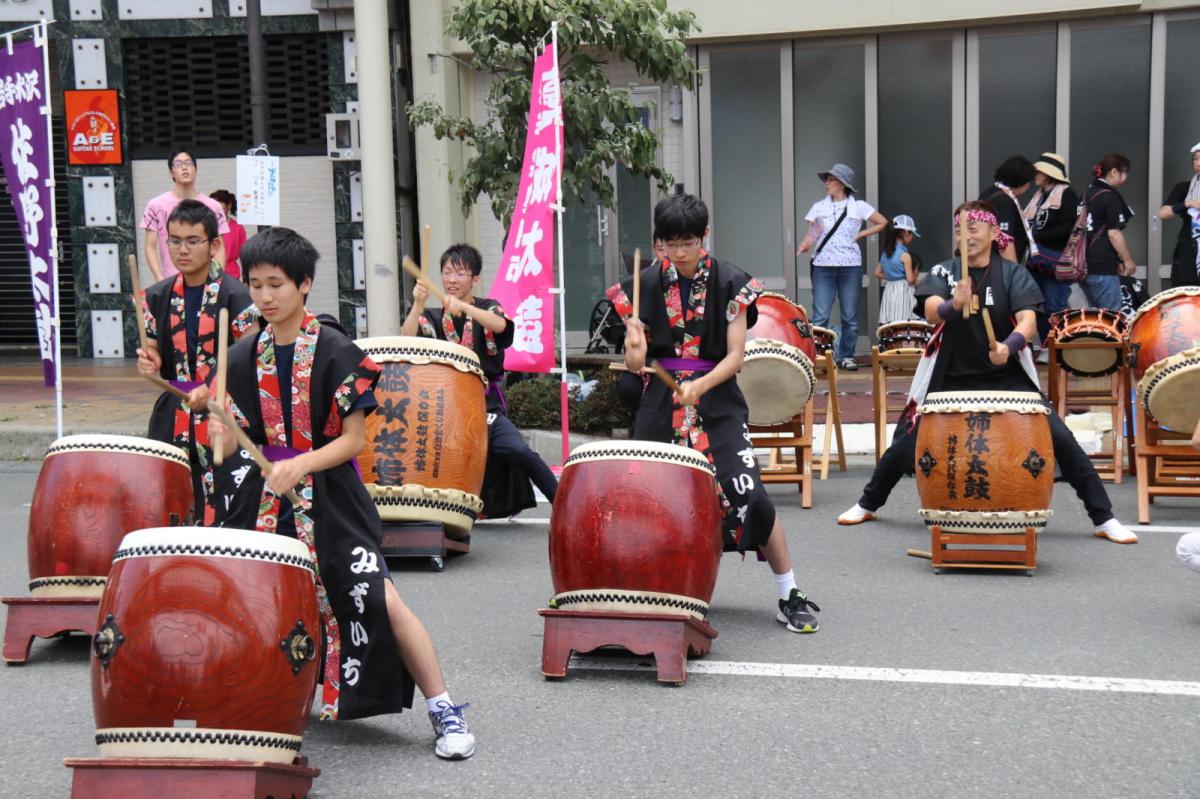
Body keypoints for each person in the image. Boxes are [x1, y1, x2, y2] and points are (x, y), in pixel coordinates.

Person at [205, 227, 475, 760]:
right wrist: (219, 422)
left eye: (276, 284)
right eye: (255, 285)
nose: (265, 296)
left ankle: (443, 707)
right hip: (264, 495)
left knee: (379, 595)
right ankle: (235, 701)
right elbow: (237, 432)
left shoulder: (335, 351)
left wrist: (300, 463)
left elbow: (353, 441)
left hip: (330, 493)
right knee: (239, 595)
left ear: (304, 284)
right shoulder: (239, 356)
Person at [836, 200, 1137, 545]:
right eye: (959, 229)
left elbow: (1027, 320)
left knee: (1061, 437)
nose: (965, 235)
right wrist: (955, 304)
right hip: (950, 373)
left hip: (1005, 375)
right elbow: (933, 312)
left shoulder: (1013, 274)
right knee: (907, 439)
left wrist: (1007, 346)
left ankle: (1103, 517)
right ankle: (868, 503)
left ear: (994, 234)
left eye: (973, 228)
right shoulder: (944, 272)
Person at [610, 193, 822, 633]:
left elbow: (736, 356)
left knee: (748, 491)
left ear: (704, 235)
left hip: (719, 399)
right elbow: (637, 365)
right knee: (647, 495)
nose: (680, 252)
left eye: (688, 241)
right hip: (660, 402)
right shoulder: (644, 285)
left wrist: (700, 387)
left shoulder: (731, 281)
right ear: (661, 242)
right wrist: (634, 350)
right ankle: (648, 587)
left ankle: (789, 591)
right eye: (671, 244)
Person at [400, 243, 558, 516]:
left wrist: (463, 307)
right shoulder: (432, 318)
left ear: (475, 280)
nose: (451, 279)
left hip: (486, 408)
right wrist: (418, 303)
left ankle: (563, 502)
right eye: (447, 272)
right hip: (445, 412)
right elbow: (405, 341)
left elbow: (500, 325)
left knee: (518, 450)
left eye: (460, 273)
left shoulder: (488, 308)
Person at [136, 199, 258, 524]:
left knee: (222, 504)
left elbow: (251, 359)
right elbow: (154, 349)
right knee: (169, 499)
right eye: (174, 241)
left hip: (223, 413)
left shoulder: (237, 296)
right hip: (174, 412)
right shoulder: (157, 295)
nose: (182, 250)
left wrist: (213, 388)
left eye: (193, 241)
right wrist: (150, 362)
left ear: (214, 244)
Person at [797, 163, 887, 371]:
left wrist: (862, 234)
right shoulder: (819, 207)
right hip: (823, 266)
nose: (826, 183)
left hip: (850, 266)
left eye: (831, 179)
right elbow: (813, 233)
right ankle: (819, 356)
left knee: (850, 315)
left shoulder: (859, 206)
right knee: (820, 314)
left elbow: (883, 222)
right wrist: (805, 244)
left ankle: (847, 355)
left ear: (842, 184)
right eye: (826, 179)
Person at [1022, 153, 1080, 359]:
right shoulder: (1039, 195)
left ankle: (1057, 347)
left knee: (1055, 304)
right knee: (1036, 303)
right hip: (1035, 258)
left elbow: (1067, 227)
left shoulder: (1067, 194)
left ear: (1049, 174)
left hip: (1056, 258)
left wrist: (1035, 235)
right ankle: (1046, 345)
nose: (1035, 175)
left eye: (1039, 172)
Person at [140, 149, 230, 281]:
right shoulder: (155, 205)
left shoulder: (213, 206)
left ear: (196, 169)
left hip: (205, 281)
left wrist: (216, 279)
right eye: (178, 164)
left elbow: (220, 246)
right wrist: (159, 278)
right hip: (171, 280)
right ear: (171, 172)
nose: (184, 167)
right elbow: (150, 246)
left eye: (188, 163)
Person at [1080, 153, 1138, 311]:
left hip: (1082, 265)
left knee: (1095, 318)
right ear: (1113, 172)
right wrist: (1127, 260)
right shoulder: (1110, 197)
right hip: (1102, 267)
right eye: (1124, 172)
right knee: (1112, 318)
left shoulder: (1087, 194)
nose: (1126, 176)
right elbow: (1113, 233)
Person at [979, 155, 1037, 264]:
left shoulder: (988, 193)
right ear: (1022, 182)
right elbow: (1004, 240)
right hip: (999, 267)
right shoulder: (1005, 202)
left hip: (986, 260)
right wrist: (1014, 272)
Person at [1158, 142, 1200, 289]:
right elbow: (1162, 213)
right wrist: (1187, 204)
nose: (1198, 163)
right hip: (1187, 255)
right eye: (1195, 158)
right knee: (1184, 305)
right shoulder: (1184, 188)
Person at [875, 214, 920, 325]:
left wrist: (891, 276)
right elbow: (910, 280)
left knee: (890, 325)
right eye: (911, 233)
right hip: (902, 291)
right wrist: (916, 276)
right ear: (905, 233)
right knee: (902, 324)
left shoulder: (885, 253)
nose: (912, 237)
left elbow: (877, 272)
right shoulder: (905, 255)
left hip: (889, 289)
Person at [210, 189, 247, 280]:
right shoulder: (206, 226)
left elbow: (244, 255)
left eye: (219, 204)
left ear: (229, 205)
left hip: (231, 274)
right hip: (209, 272)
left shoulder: (238, 228)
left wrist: (246, 278)